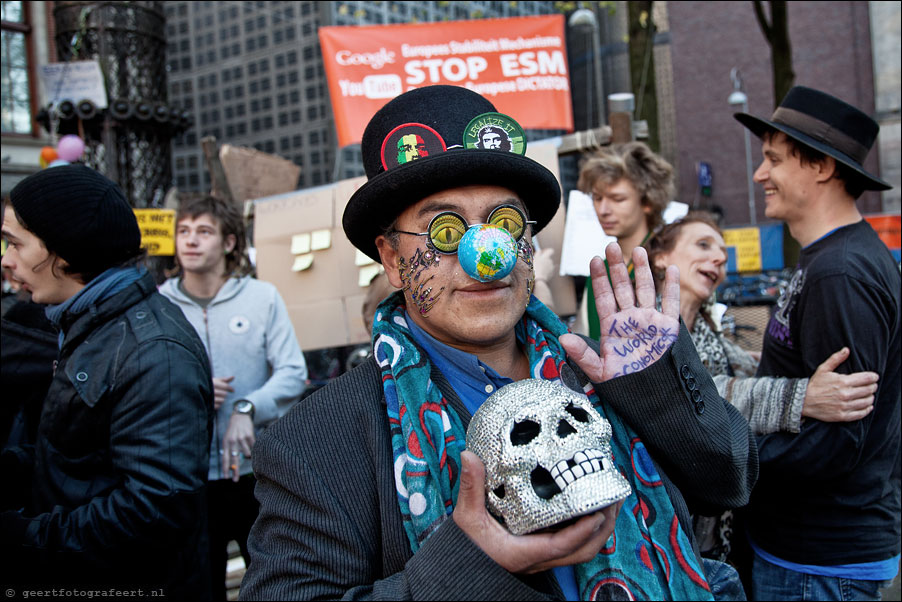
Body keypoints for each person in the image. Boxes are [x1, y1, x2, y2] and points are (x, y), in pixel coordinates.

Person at [240, 85, 757, 601]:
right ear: (394, 261)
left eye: (505, 223)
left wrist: (655, 386)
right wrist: (471, 565)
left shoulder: (600, 371)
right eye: (444, 231)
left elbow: (729, 483)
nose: (486, 253)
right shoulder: (315, 445)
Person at [0, 164, 213, 597]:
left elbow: (155, 511)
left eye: (16, 244)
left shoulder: (155, 352)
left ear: (64, 251)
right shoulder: (88, 324)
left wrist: (22, 535)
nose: (6, 260)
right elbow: (79, 457)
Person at [734, 86, 901, 599]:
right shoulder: (827, 259)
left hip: (820, 561)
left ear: (822, 168)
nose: (761, 174)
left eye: (774, 160)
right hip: (806, 552)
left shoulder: (841, 273)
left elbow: (839, 441)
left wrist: (734, 452)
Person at [645, 211, 880, 562]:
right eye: (703, 244)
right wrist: (799, 397)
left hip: (716, 529)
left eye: (723, 253)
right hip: (668, 529)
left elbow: (746, 366)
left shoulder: (709, 329)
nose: (720, 257)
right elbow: (690, 393)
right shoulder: (641, 325)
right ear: (662, 257)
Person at [159, 194, 307, 600]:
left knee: (268, 581)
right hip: (182, 475)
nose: (190, 241)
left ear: (227, 243)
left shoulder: (262, 298)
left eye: (203, 232)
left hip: (253, 472)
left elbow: (293, 373)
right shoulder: (157, 306)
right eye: (183, 232)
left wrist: (247, 406)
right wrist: (192, 387)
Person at [573, 142, 674, 340]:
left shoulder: (672, 258)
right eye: (597, 198)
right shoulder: (599, 270)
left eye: (617, 199)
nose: (603, 210)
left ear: (647, 202)